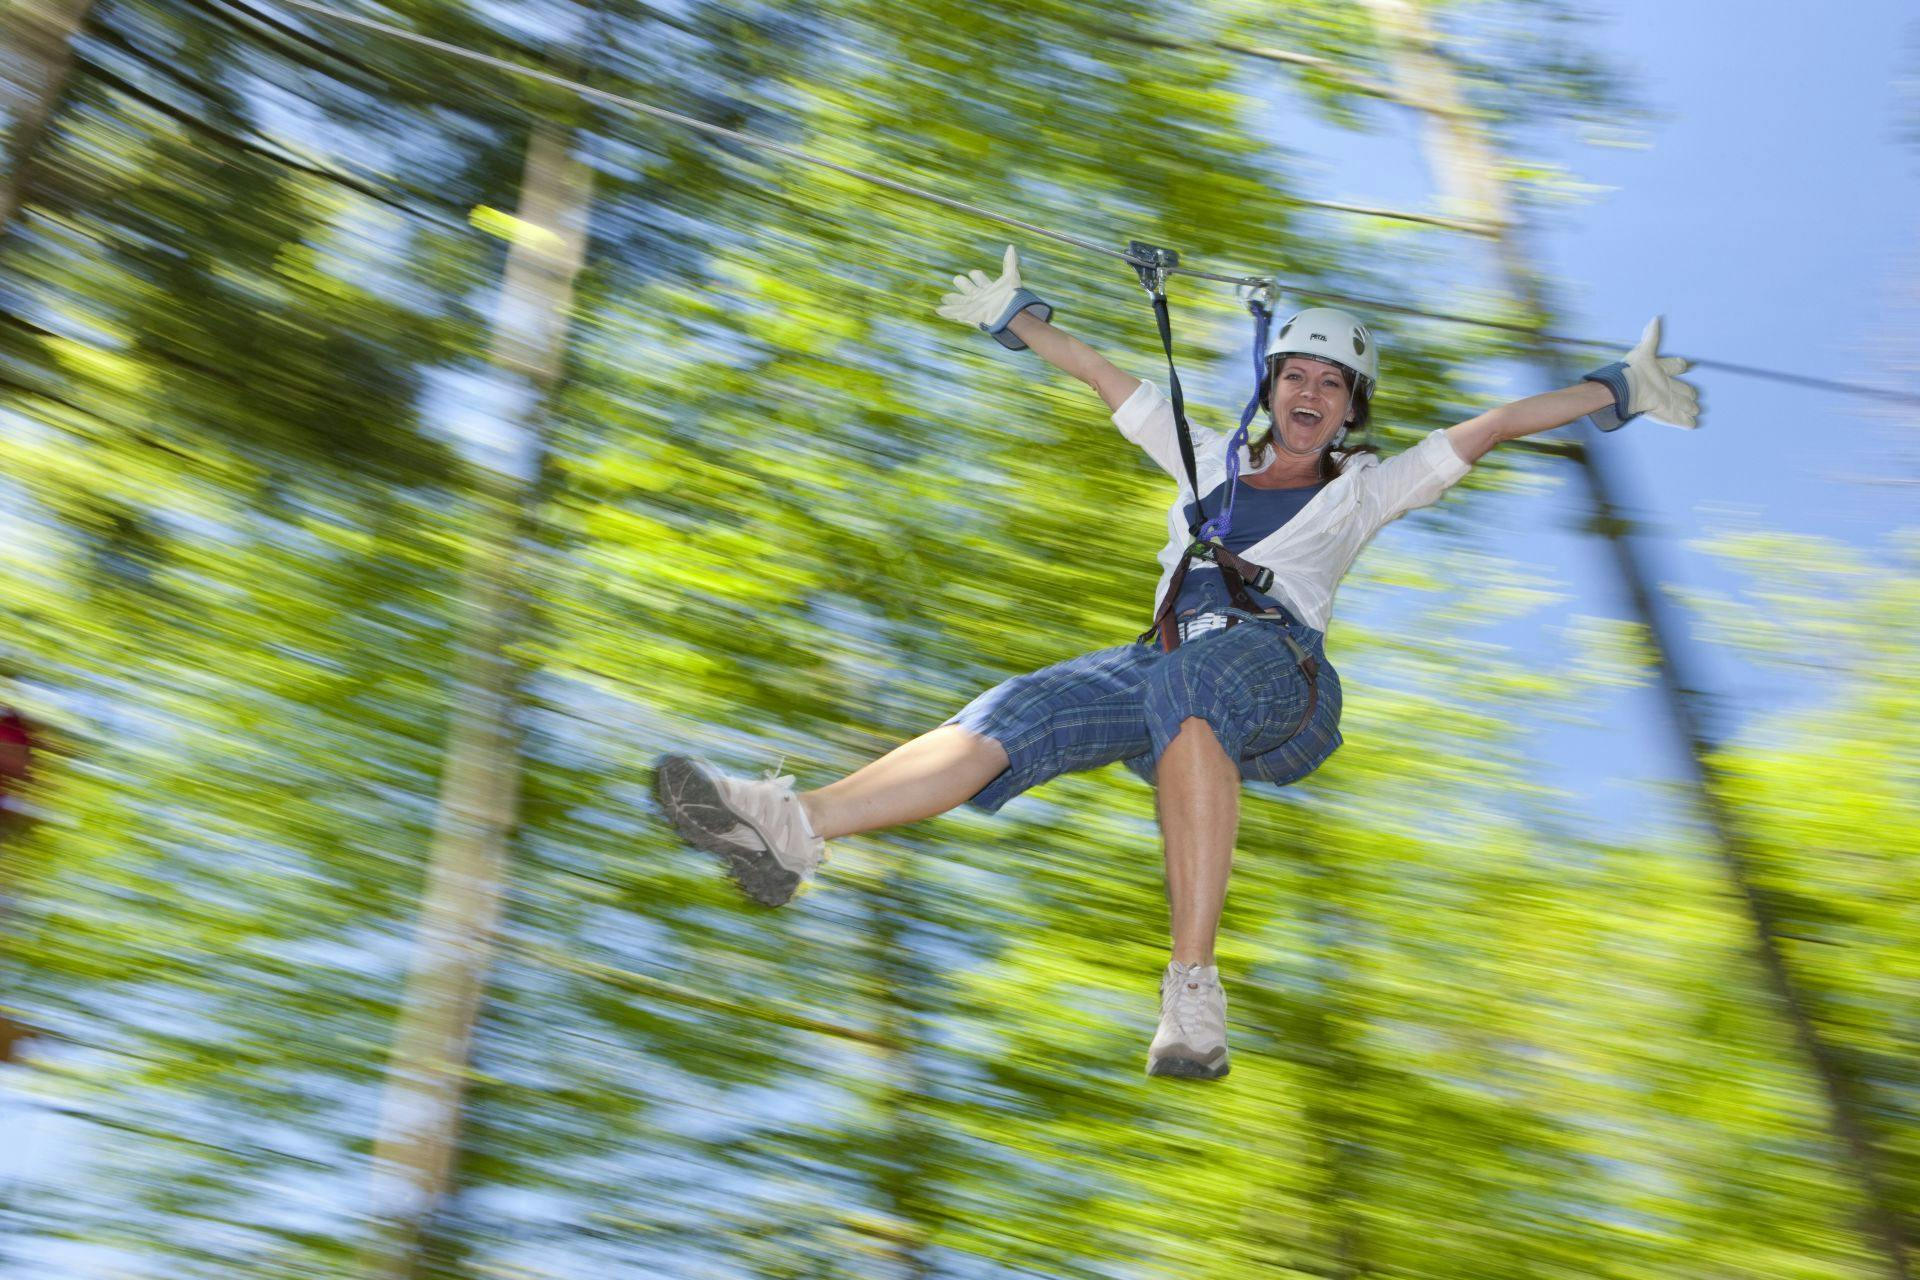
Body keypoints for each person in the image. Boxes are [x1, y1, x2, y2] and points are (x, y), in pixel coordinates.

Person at [654, 245, 1700, 1081]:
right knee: (1017, 707)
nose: (1312, 391)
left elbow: (1497, 424)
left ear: (1351, 412)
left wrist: (1617, 387)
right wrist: (1017, 319)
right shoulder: (1206, 457)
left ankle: (1192, 987)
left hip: (1274, 665)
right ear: (1271, 385)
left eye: (1334, 385)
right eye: (1296, 372)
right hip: (1154, 656)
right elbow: (1109, 380)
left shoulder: (1367, 487)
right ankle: (794, 830)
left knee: (1199, 683)